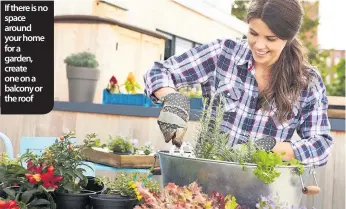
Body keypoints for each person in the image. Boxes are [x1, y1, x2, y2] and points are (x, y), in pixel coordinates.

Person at [143, 0, 334, 167]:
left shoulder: (307, 82)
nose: (259, 45)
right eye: (253, 33)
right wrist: (172, 98)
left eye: (270, 39)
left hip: (260, 190)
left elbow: (321, 146)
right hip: (206, 181)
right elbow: (160, 71)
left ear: (288, 38)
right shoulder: (223, 53)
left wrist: (269, 148)